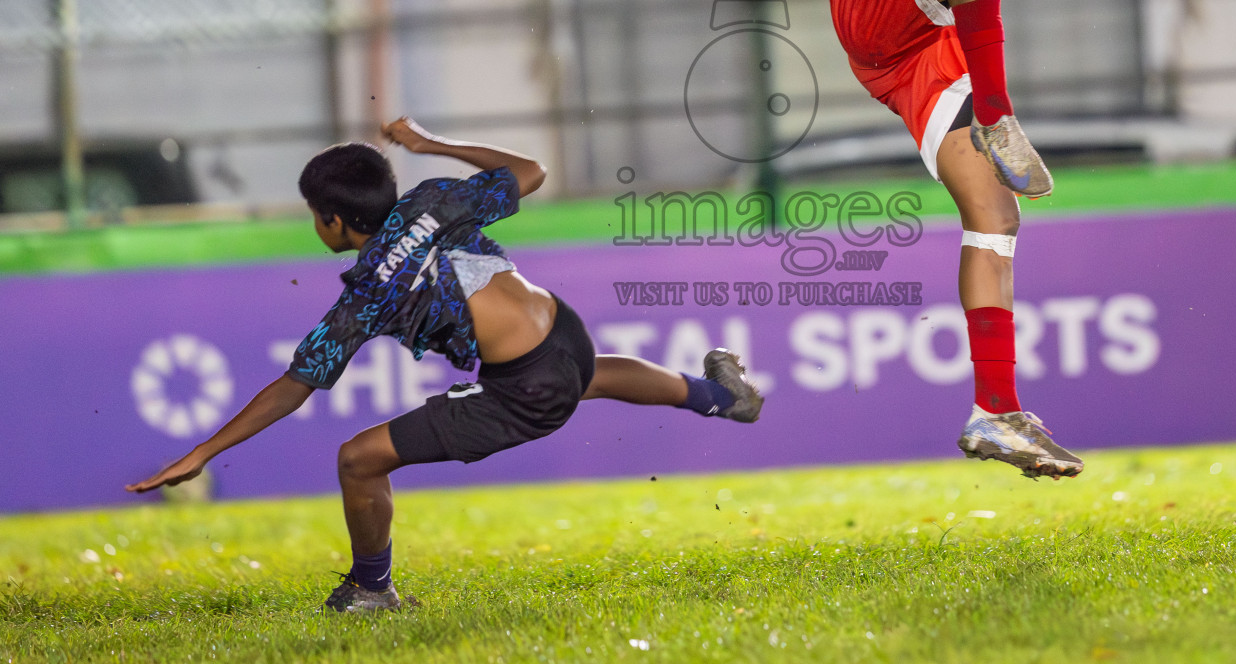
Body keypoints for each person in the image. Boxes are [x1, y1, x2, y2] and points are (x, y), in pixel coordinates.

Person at [128, 117, 763, 610]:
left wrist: (204, 452)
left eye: (314, 215)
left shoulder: (366, 295)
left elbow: (295, 387)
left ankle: (373, 591)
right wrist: (430, 144)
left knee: (358, 459)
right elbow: (531, 169)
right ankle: (719, 396)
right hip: (560, 330)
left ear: (334, 221)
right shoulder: (432, 201)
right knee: (589, 375)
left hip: (527, 386)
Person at [774, 0, 1081, 479]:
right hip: (874, 2)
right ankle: (1000, 113)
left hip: (925, 50)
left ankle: (996, 413)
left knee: (996, 214)